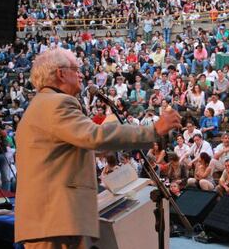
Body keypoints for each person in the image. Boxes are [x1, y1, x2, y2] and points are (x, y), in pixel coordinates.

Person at [15, 48, 182, 248]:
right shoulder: (57, 103)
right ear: (60, 73)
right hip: (57, 220)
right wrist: (153, 130)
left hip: (51, 220)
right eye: (75, 69)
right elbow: (95, 136)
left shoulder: (41, 105)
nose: (81, 74)